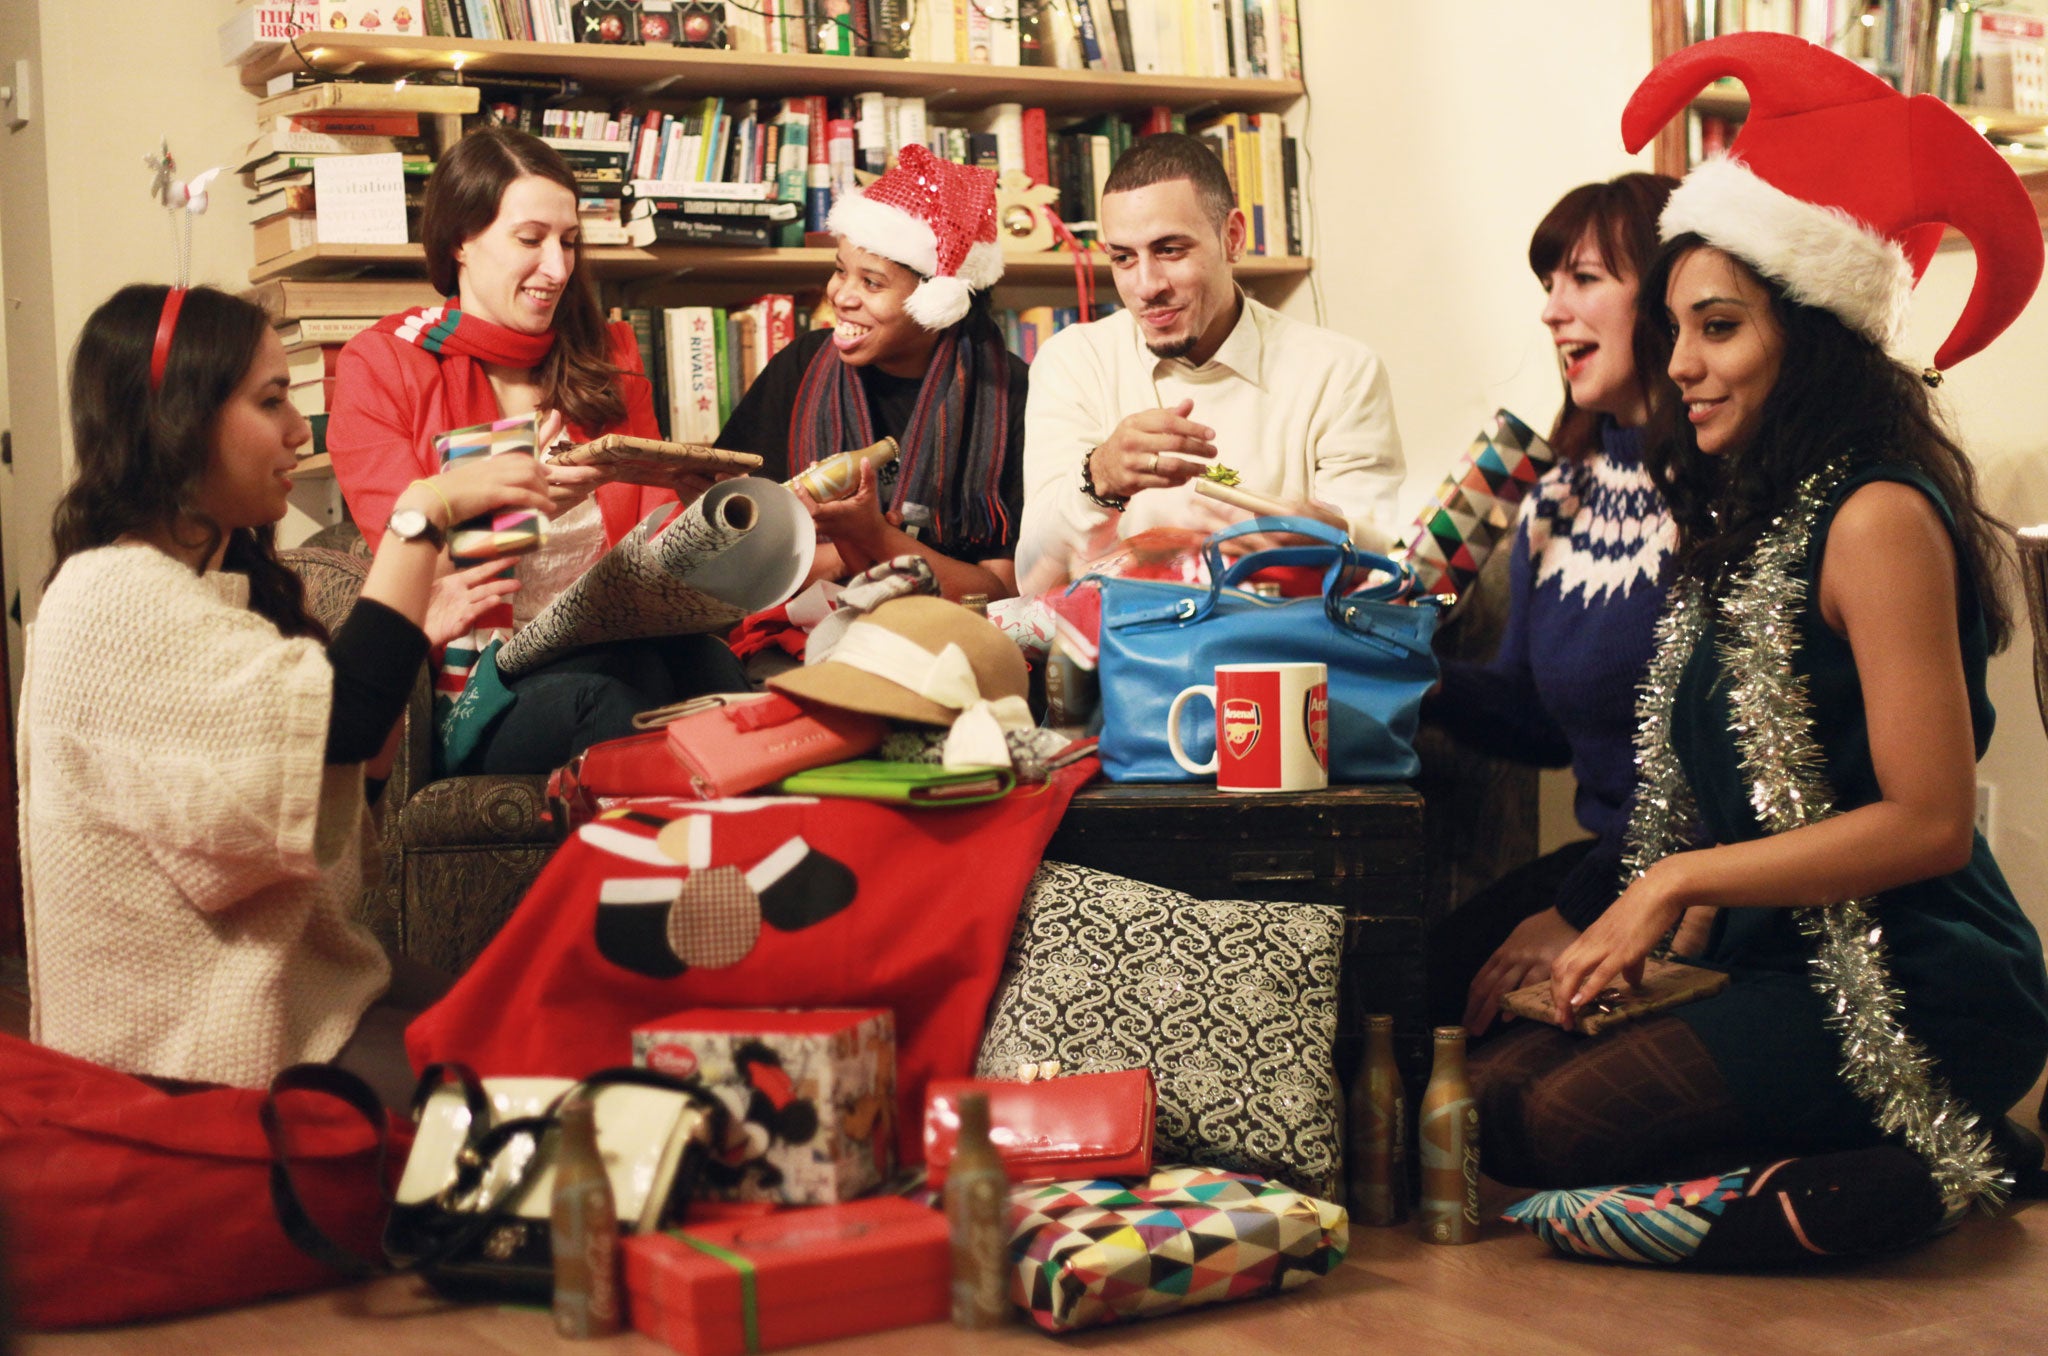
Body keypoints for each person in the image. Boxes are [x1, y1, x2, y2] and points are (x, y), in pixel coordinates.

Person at [1473, 33, 2048, 1203]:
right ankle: (1846, 1183)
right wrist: (1629, 919)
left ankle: (1935, 1168)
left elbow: (1929, 825)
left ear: (1814, 333)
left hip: (1912, 978)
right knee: (1486, 1104)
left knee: (1556, 1133)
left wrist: (1672, 884)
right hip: (1766, 959)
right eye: (1677, 325)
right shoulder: (1740, 509)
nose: (1680, 362)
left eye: (1718, 327)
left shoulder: (1876, 515)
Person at [19, 283, 551, 1105]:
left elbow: (327, 794)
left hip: (292, 986)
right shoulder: (111, 596)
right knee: (515, 1094)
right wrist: (422, 512)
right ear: (180, 419)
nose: (302, 431)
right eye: (273, 401)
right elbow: (343, 724)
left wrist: (412, 639)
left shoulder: (204, 593)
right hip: (186, 1042)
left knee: (531, 1038)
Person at [327, 125, 747, 776]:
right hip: (478, 687)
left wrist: (695, 520)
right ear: (460, 241)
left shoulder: (609, 359)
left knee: (711, 671)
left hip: (624, 648)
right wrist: (523, 509)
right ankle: (643, 872)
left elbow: (651, 551)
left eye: (569, 242)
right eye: (531, 240)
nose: (557, 268)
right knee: (611, 696)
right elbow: (405, 566)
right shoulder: (384, 364)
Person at [1424, 172, 1682, 1037]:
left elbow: (1710, 785)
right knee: (1404, 999)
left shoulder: (1725, 500)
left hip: (1696, 878)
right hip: (1606, 864)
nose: (1551, 311)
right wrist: (1399, 666)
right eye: (1548, 285)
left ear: (1669, 293)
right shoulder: (1556, 495)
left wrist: (1578, 908)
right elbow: (1538, 719)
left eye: (1585, 279)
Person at [1013, 133, 1405, 590]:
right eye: (1123, 258)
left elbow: (1384, 578)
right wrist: (1099, 478)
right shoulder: (1074, 362)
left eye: (1170, 250)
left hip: (1276, 643)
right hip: (1118, 650)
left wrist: (1329, 540)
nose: (1146, 286)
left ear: (1232, 237)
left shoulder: (1341, 373)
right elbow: (1033, 585)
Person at [714, 143, 1026, 603]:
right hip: (799, 631)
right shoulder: (801, 365)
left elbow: (1000, 593)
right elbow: (734, 562)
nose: (841, 296)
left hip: (943, 636)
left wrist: (873, 537)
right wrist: (848, 549)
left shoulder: (1005, 393)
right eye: (841, 272)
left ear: (936, 302)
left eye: (872, 282)